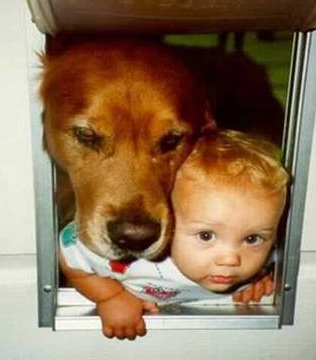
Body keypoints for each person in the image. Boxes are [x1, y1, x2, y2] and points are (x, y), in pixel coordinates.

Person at [59, 129, 289, 340]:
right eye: (206, 236)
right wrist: (110, 297)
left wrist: (259, 280)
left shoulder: (266, 255)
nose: (231, 259)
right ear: (169, 220)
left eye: (251, 239)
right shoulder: (135, 261)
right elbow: (68, 255)